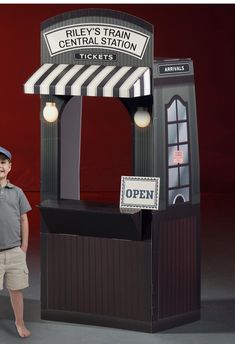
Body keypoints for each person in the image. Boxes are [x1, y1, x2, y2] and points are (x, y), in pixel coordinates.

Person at [0, 146, 31, 338]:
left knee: (16, 289)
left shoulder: (17, 192)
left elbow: (23, 219)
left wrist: (24, 246)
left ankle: (19, 323)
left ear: (10, 167)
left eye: (3, 163)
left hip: (14, 251)